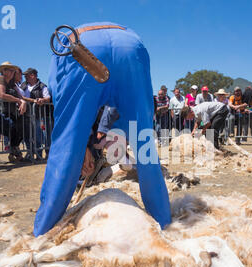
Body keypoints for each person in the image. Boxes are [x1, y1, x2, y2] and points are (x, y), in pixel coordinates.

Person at [34, 22, 171, 237]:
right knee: (144, 145)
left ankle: (44, 229)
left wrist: (82, 148)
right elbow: (116, 113)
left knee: (67, 147)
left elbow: (67, 118)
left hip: (80, 47)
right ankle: (164, 221)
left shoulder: (60, 55)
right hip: (131, 46)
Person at [0, 62, 27, 163]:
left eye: (13, 70)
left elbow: (21, 97)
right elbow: (1, 94)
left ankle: (12, 152)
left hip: (7, 111)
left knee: (17, 130)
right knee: (5, 130)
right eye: (9, 70)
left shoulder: (11, 83)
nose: (12, 72)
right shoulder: (0, 79)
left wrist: (23, 101)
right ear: (4, 71)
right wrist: (19, 101)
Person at [20, 68, 51, 160]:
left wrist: (42, 100)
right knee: (28, 136)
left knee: (38, 136)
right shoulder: (23, 85)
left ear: (32, 75)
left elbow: (47, 98)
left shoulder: (42, 86)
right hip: (26, 114)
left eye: (26, 75)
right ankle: (31, 153)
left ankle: (40, 154)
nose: (25, 77)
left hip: (38, 114)